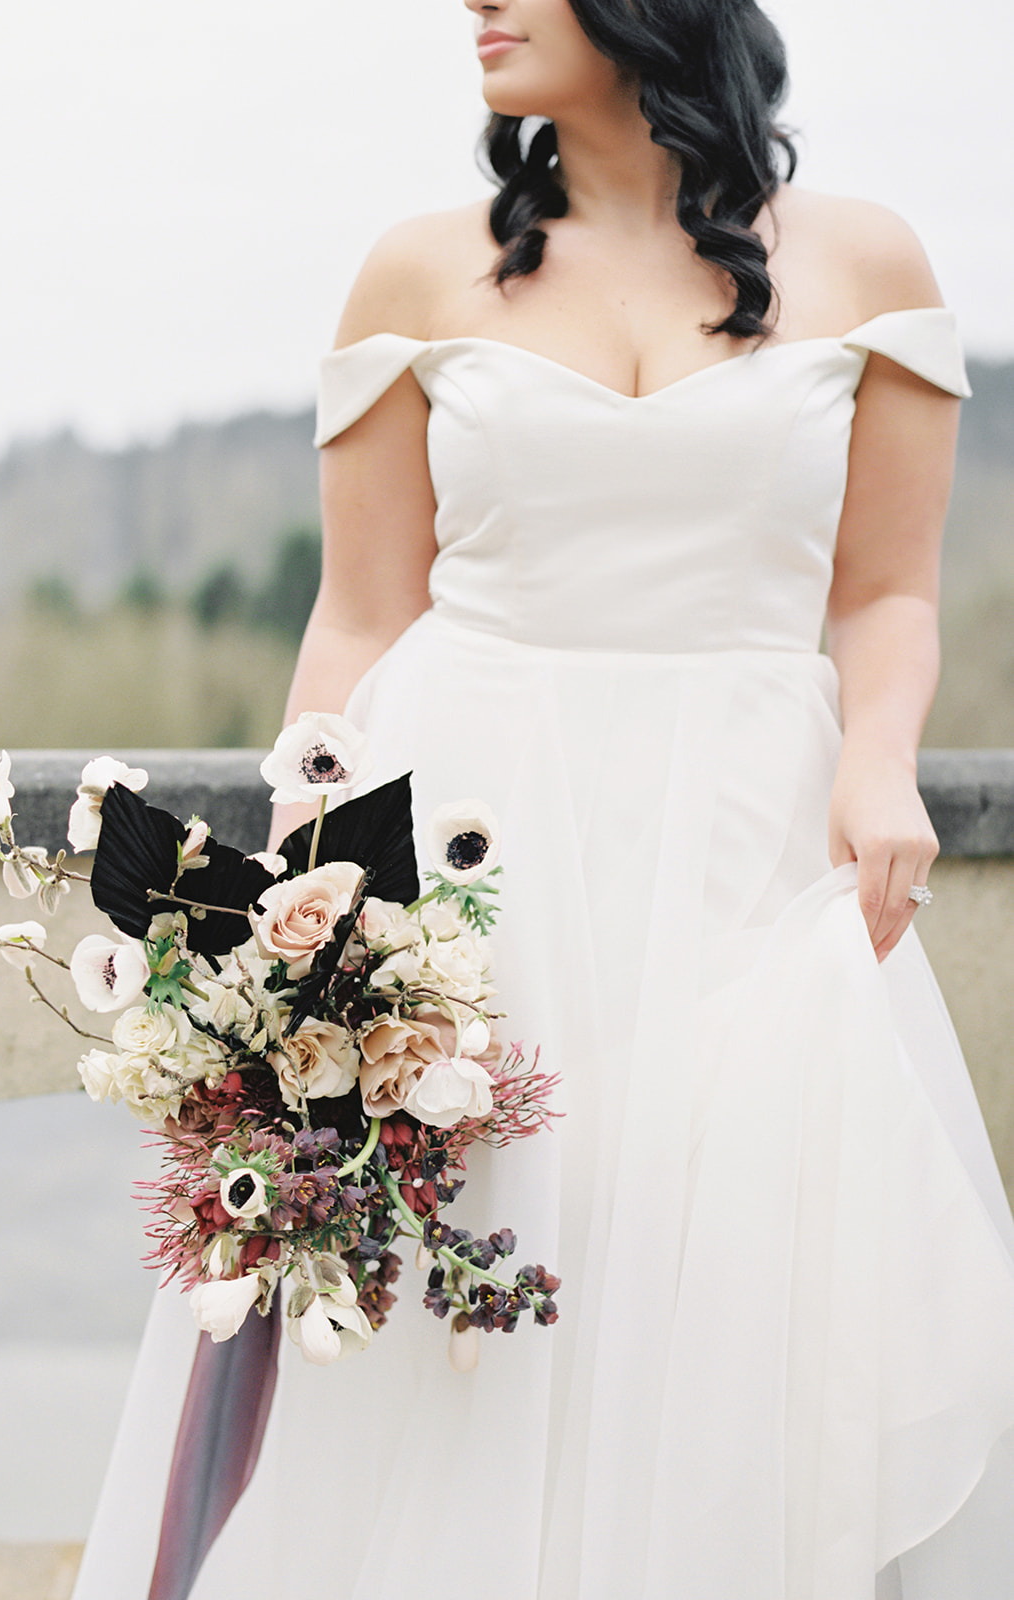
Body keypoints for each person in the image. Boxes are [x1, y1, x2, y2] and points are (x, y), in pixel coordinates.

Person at [72, 2, 1014, 1596]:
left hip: (751, 846)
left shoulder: (867, 264)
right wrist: (299, 906)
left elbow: (888, 595)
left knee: (724, 1301)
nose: (476, 4)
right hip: (474, 853)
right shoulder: (421, 272)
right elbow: (363, 615)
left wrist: (877, 759)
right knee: (466, 1310)